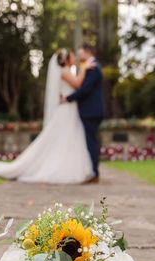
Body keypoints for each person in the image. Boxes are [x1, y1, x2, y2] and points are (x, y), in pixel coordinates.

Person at [0, 49, 95, 184]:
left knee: (67, 138)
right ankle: (60, 167)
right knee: (63, 138)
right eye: (72, 56)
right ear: (66, 59)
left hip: (70, 109)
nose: (74, 58)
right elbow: (77, 84)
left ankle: (69, 166)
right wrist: (84, 69)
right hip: (66, 110)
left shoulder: (67, 71)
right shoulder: (65, 71)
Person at [61, 44, 105, 183]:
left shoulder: (92, 68)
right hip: (91, 111)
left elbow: (85, 89)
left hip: (91, 111)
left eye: (80, 54)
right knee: (91, 141)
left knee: (91, 142)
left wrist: (68, 98)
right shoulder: (91, 67)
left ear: (87, 53)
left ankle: (94, 173)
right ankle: (93, 172)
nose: (79, 57)